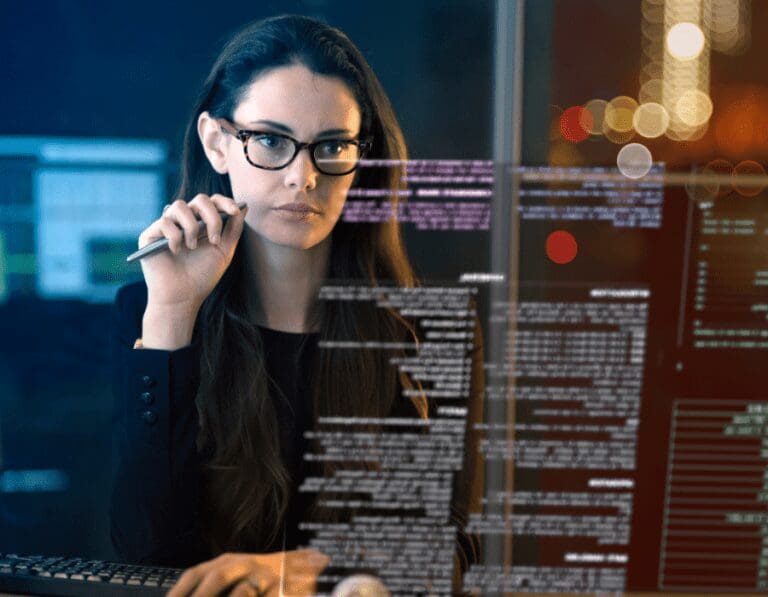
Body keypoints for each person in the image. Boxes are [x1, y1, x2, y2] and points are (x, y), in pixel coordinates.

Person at [109, 14, 483, 597]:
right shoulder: (151, 311)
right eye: (271, 141)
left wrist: (301, 570)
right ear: (217, 142)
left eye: (331, 146)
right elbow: (142, 547)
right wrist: (173, 314)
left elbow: (450, 548)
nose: (303, 177)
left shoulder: (430, 329)